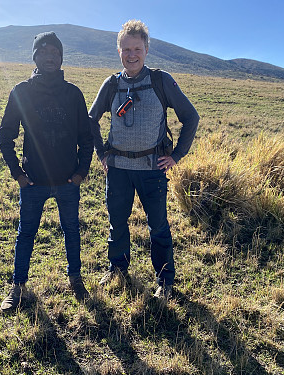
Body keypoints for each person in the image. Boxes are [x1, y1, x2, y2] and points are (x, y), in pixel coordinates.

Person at [89, 20, 200, 300]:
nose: (131, 54)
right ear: (119, 51)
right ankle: (117, 267)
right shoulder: (112, 84)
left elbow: (191, 117)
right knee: (117, 220)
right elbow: (90, 119)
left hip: (152, 169)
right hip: (118, 169)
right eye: (126, 49)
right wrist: (101, 152)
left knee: (158, 225)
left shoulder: (161, 80)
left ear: (147, 49)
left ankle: (164, 280)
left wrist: (175, 156)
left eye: (137, 48)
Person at [0, 31, 94, 311]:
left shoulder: (73, 93)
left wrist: (80, 173)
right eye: (44, 52)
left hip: (67, 182)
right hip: (33, 183)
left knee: (72, 230)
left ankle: (75, 279)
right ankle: (17, 287)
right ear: (35, 57)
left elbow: (86, 138)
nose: (50, 57)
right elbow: (6, 137)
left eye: (55, 52)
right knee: (25, 233)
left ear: (62, 58)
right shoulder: (22, 92)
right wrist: (18, 174)